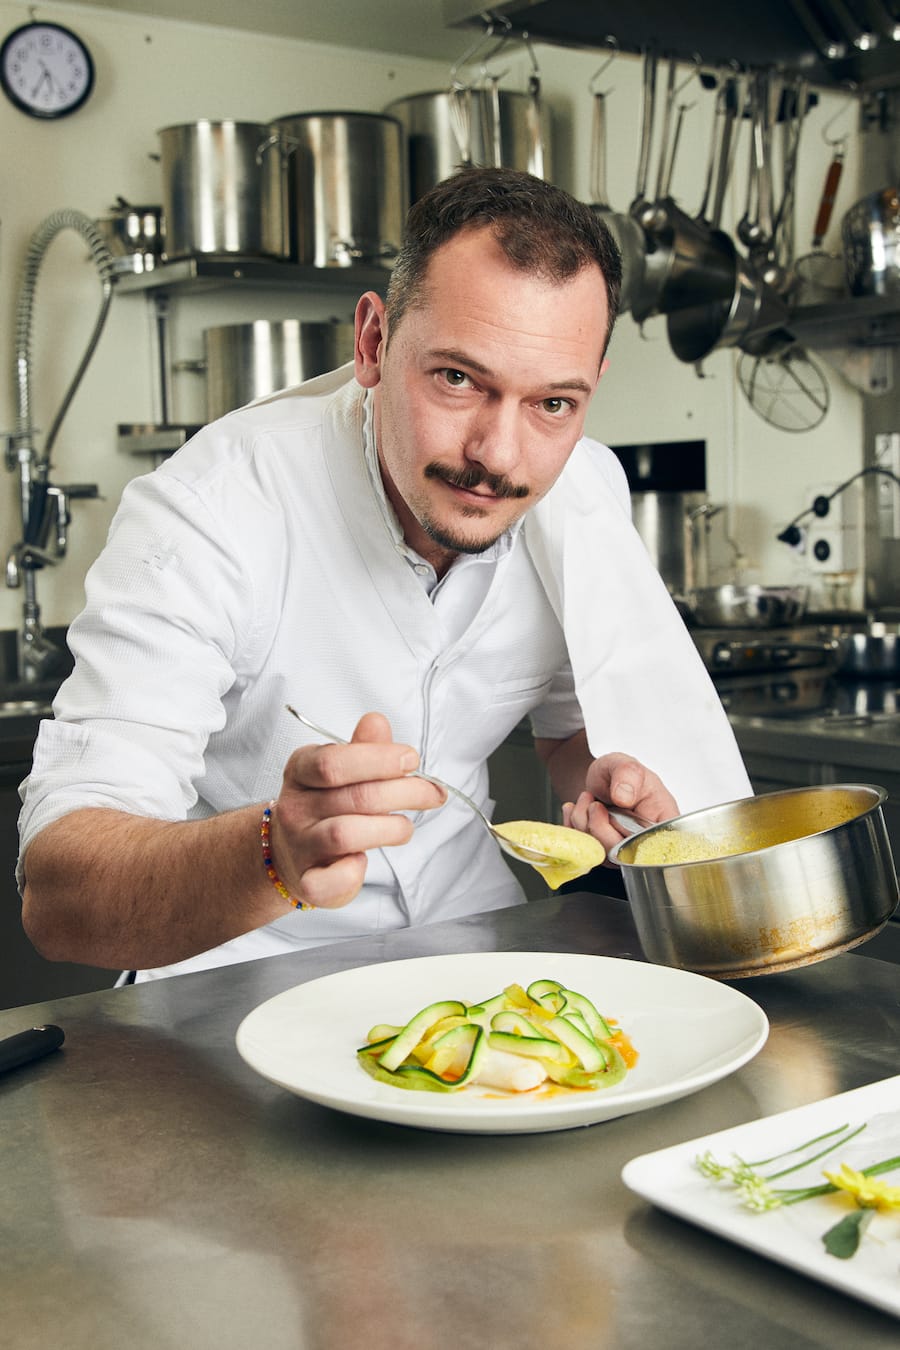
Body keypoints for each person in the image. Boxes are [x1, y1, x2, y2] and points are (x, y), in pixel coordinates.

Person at [18, 166, 751, 982]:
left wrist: (609, 789)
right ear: (372, 342)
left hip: (472, 958)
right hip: (227, 983)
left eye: (553, 404)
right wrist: (273, 852)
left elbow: (569, 731)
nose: (498, 457)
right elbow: (59, 894)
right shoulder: (211, 509)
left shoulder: (582, 495)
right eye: (458, 379)